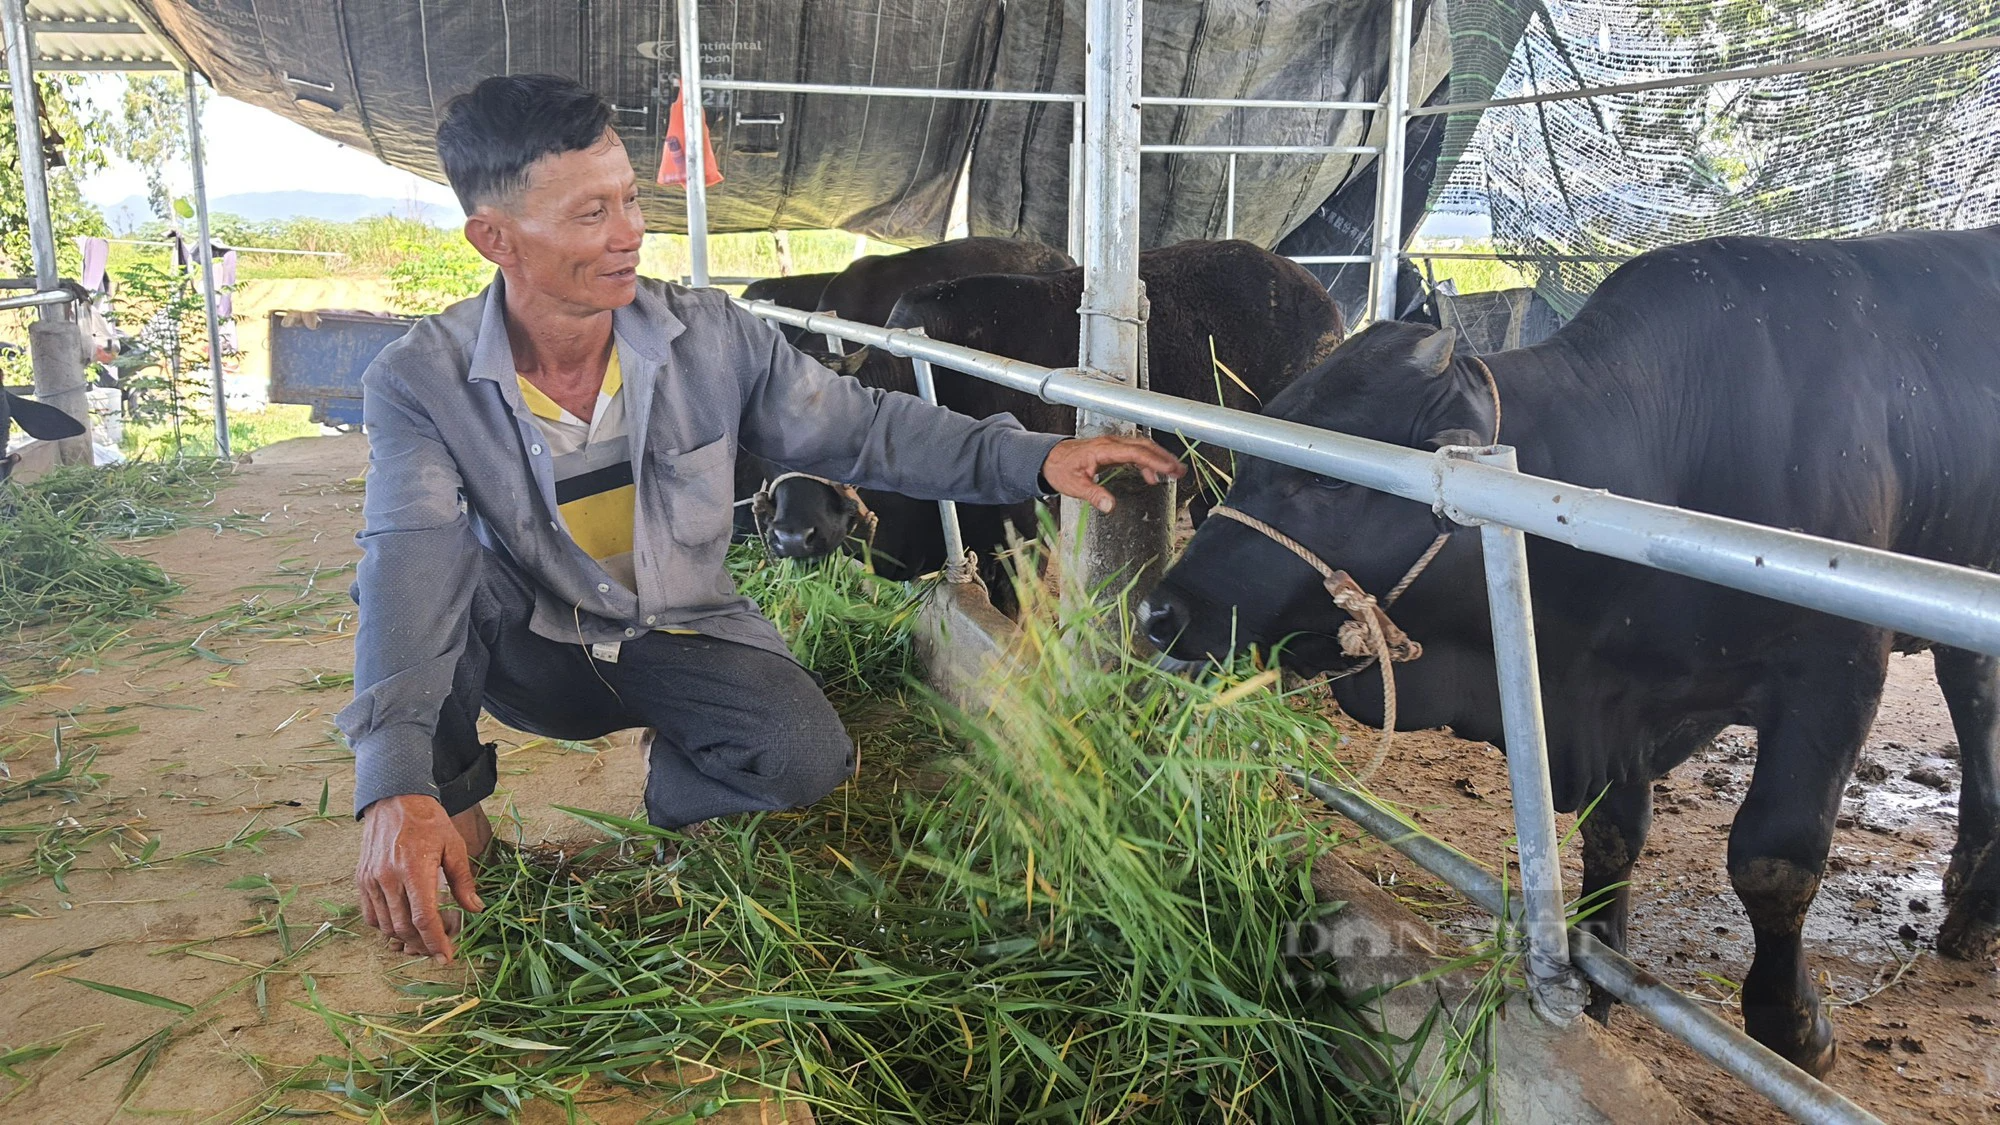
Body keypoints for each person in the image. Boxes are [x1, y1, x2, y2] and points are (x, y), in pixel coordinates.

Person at [339, 74, 1184, 963]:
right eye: (591, 215)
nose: (631, 234)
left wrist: (1029, 457)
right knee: (428, 587)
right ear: (494, 238)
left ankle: (677, 784)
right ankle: (456, 837)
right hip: (532, 647)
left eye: (630, 200)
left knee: (807, 763)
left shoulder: (711, 335)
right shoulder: (419, 380)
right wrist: (391, 781)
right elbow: (408, 565)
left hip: (679, 628)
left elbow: (861, 427)